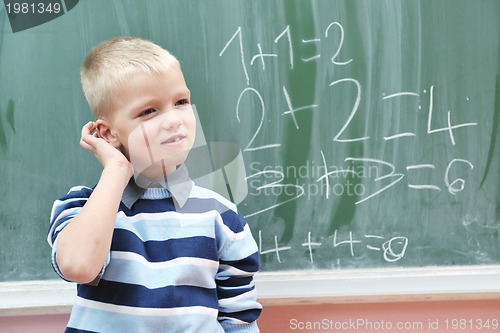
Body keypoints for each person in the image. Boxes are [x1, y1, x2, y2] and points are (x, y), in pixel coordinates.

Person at [47, 36, 262, 333]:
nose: (174, 120)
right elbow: (79, 266)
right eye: (149, 111)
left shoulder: (221, 216)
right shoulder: (83, 207)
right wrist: (117, 169)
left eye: (181, 102)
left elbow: (238, 319)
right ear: (107, 133)